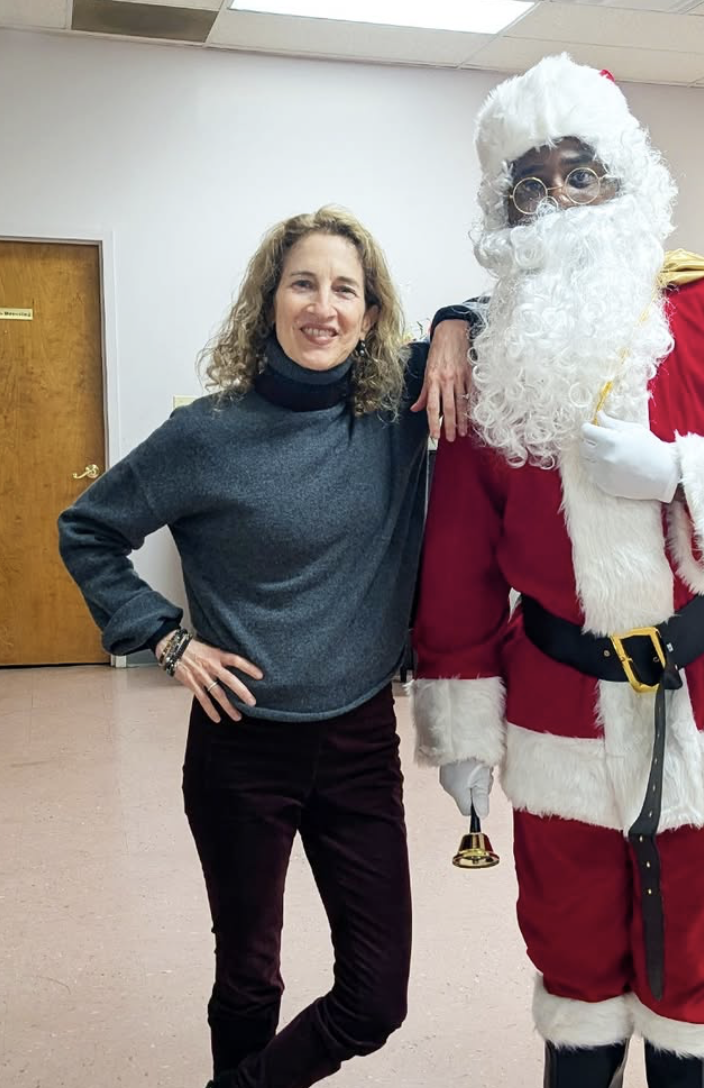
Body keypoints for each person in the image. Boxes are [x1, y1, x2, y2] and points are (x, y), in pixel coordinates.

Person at [410, 56, 704, 1087]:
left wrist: (683, 475)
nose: (557, 197)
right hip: (557, 700)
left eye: (579, 171)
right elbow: (460, 558)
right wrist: (461, 724)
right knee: (571, 962)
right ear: (505, 210)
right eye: (529, 181)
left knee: (698, 971)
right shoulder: (481, 352)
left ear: (623, 178)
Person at [57, 205, 471, 1088]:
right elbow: (88, 531)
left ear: (370, 311)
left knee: (375, 998)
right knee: (249, 974)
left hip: (359, 742)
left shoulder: (396, 407)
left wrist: (453, 326)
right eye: (303, 282)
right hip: (241, 742)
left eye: (345, 289)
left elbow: (497, 309)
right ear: (268, 300)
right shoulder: (206, 434)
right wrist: (164, 640)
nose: (323, 306)